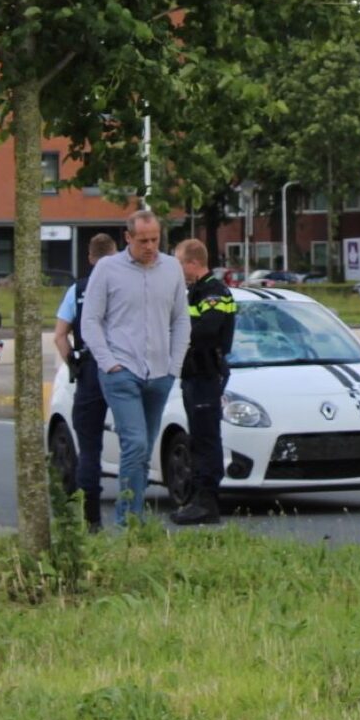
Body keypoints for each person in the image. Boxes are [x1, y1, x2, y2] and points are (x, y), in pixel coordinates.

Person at [81, 210, 189, 525]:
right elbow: (90, 319)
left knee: (143, 449)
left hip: (159, 373)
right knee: (135, 443)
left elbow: (181, 318)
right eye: (143, 240)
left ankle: (136, 520)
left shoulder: (171, 268)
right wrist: (108, 362)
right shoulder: (107, 268)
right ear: (128, 238)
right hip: (121, 369)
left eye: (155, 239)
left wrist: (174, 366)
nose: (150, 246)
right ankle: (128, 520)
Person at [51, 232, 118, 532]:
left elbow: (59, 335)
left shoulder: (77, 290)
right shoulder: (124, 285)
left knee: (90, 448)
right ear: (115, 256)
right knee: (133, 441)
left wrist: (73, 365)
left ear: (90, 258)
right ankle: (135, 514)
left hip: (90, 370)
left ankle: (91, 519)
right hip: (121, 367)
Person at [171, 239, 236, 526]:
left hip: (205, 374)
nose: (177, 269)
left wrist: (178, 337)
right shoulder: (195, 291)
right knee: (198, 437)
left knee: (206, 439)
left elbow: (207, 331)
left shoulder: (213, 292)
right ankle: (198, 498)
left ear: (192, 263)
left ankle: (207, 501)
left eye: (179, 262)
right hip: (194, 375)